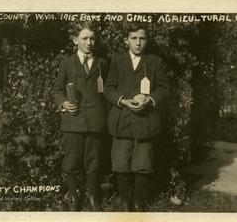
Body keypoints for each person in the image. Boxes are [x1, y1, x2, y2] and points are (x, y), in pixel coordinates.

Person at [104, 22, 169, 212]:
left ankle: (138, 202)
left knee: (143, 164)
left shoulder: (155, 62)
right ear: (126, 41)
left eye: (142, 38)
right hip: (122, 120)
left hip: (145, 121)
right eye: (134, 38)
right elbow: (108, 89)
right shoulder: (117, 61)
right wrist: (122, 100)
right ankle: (125, 202)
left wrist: (147, 98)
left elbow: (164, 89)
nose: (138, 43)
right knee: (121, 163)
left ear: (147, 41)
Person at [53, 21, 108, 212]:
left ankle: (93, 197)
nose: (89, 42)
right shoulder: (67, 63)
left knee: (93, 161)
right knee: (71, 160)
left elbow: (107, 91)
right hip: (73, 120)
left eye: (92, 38)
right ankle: (74, 197)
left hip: (95, 120)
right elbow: (57, 90)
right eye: (84, 38)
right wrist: (64, 103)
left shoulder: (102, 63)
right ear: (75, 40)